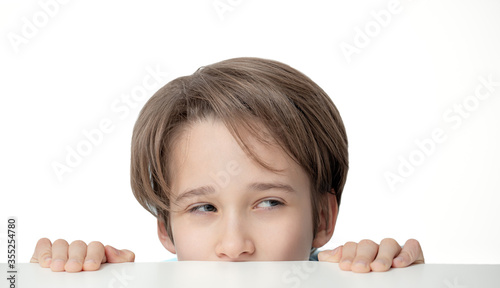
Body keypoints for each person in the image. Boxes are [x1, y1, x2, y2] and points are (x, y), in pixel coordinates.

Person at [30, 57, 424, 273]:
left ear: (322, 217)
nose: (235, 247)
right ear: (166, 229)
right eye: (204, 208)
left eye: (269, 202)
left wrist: (395, 284)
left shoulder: (354, 286)